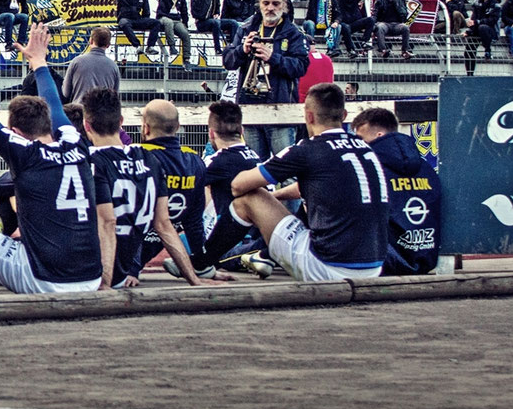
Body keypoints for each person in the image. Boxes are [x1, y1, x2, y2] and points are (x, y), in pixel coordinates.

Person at [0, 25, 112, 293]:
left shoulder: (26, 154)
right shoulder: (78, 146)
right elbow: (54, 105)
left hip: (44, 279)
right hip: (91, 276)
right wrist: (39, 61)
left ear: (16, 133)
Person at [191, 82, 389, 283]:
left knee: (249, 197)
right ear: (344, 115)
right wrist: (273, 198)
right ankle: (262, 255)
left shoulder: (308, 149)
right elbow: (314, 185)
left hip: (327, 266)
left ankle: (202, 263)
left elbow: (238, 185)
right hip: (375, 266)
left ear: (309, 116)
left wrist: (264, 202)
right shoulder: (365, 148)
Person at [165, 100, 273, 279]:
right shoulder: (256, 158)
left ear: (211, 134)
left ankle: (253, 256)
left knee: (181, 241)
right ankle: (261, 254)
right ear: (242, 131)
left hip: (233, 241)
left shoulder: (216, 161)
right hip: (261, 231)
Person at [137, 99, 221, 283]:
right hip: (146, 253)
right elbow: (194, 224)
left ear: (146, 128)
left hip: (126, 260)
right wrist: (203, 266)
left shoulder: (138, 156)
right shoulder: (195, 160)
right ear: (178, 127)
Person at [222, 0, 310, 158]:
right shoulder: (246, 29)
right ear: (259, 4)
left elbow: (301, 66)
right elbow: (228, 61)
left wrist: (273, 57)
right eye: (266, 3)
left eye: (275, 3)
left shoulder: (294, 34)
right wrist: (242, 50)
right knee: (254, 167)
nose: (270, 8)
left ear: (284, 5)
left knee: (286, 171)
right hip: (250, 107)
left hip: (281, 110)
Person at [351, 107, 441, 277]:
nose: (358, 145)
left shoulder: (368, 167)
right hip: (426, 258)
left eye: (361, 139)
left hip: (382, 264)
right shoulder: (426, 166)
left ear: (378, 136)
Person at [80, 87, 155, 289]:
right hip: (124, 269)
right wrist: (194, 278)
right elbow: (163, 225)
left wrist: (105, 282)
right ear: (121, 122)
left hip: (89, 271)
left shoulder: (91, 161)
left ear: (86, 125)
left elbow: (107, 222)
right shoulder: (148, 159)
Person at [61, 26, 120, 103]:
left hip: (80, 110)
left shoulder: (76, 62)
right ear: (108, 45)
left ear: (91, 41)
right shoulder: (114, 67)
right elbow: (115, 96)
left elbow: (65, 92)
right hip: (103, 112)